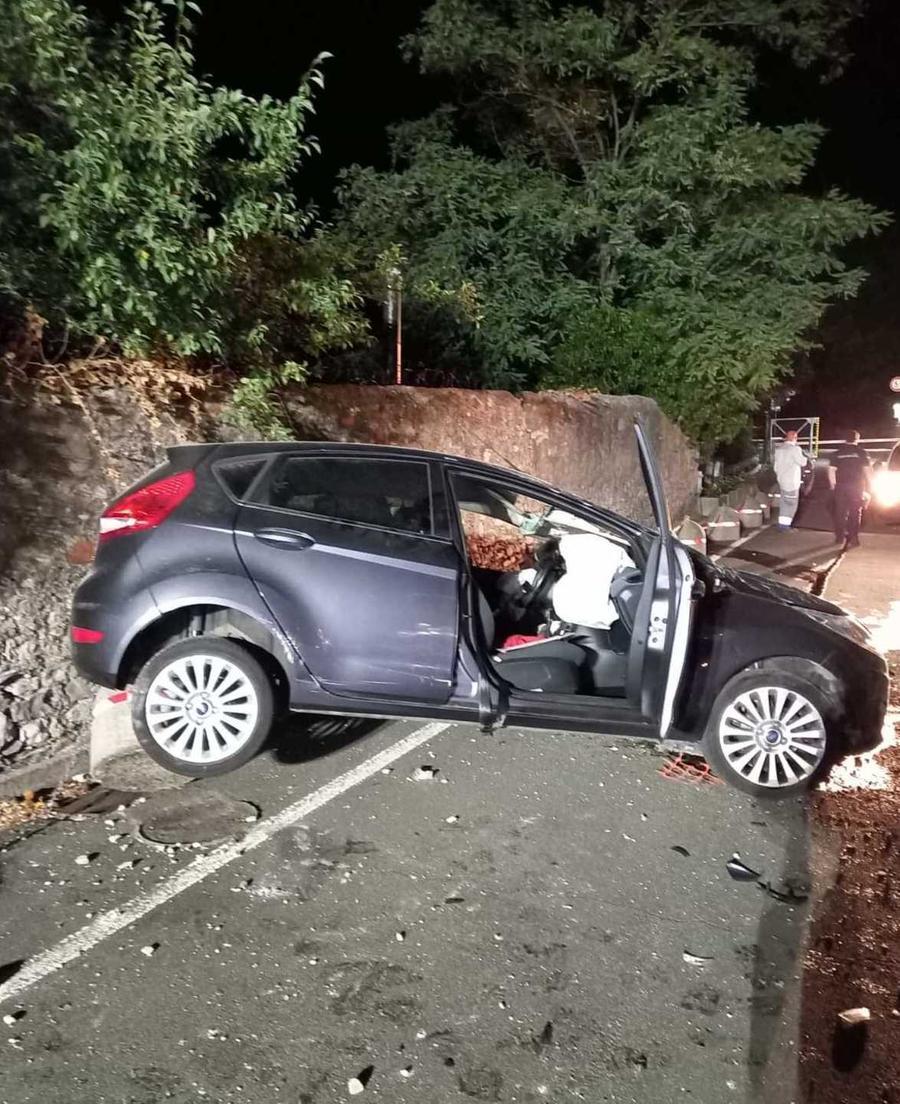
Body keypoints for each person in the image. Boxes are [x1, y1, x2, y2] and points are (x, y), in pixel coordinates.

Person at [828, 430, 872, 549]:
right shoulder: (861, 452)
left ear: (845, 439)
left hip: (841, 486)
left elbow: (831, 470)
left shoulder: (837, 453)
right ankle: (854, 538)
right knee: (855, 512)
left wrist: (833, 485)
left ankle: (839, 537)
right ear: (857, 439)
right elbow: (867, 470)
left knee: (840, 512)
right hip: (857, 486)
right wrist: (870, 485)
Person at [773, 430, 808, 529]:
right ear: (794, 438)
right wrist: (806, 457)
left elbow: (775, 467)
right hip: (792, 481)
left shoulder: (779, 450)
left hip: (782, 480)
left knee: (784, 503)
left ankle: (782, 524)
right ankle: (785, 526)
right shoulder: (795, 449)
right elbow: (802, 462)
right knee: (792, 504)